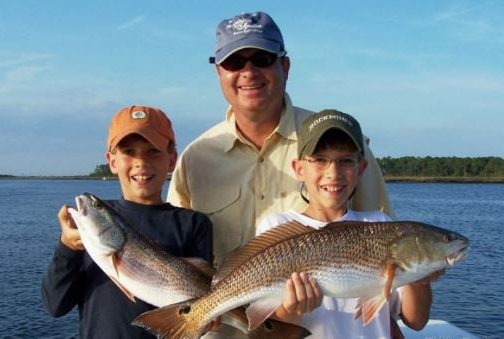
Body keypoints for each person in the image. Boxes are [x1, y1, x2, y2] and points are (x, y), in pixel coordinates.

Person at [167, 11, 392, 337]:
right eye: (234, 63)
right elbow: (179, 261)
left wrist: (392, 321)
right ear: (219, 73)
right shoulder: (194, 159)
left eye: (262, 58)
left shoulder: (338, 144)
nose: (248, 72)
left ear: (284, 66)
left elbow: (382, 246)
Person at [256, 109, 441, 339]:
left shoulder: (380, 224)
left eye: (346, 161)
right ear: (299, 169)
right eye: (320, 160)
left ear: (361, 169)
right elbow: (267, 329)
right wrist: (290, 309)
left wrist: (420, 281)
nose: (333, 173)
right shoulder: (276, 226)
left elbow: (416, 321)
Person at [41, 105, 213, 339]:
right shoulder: (89, 228)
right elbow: (55, 305)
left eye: (153, 151)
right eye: (129, 152)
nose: (141, 162)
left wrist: (206, 316)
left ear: (172, 160)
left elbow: (196, 317)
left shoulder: (193, 224)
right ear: (111, 161)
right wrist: (67, 247)